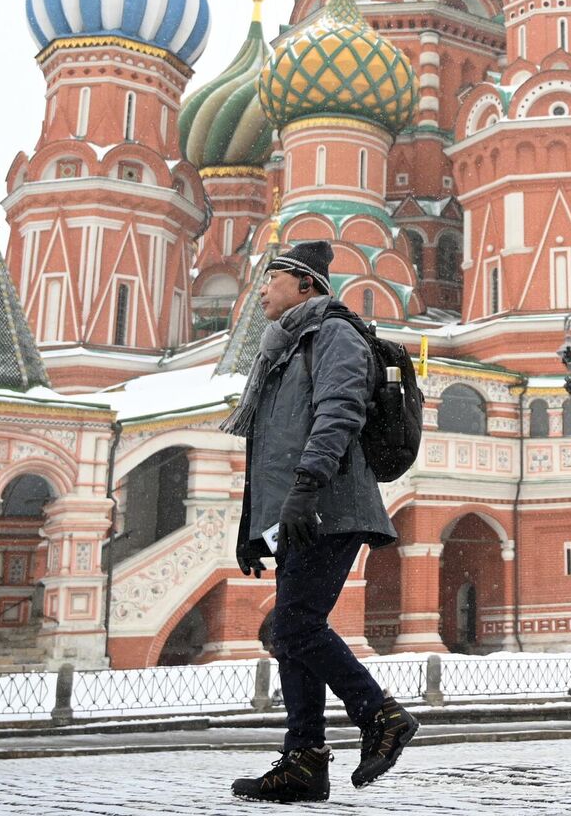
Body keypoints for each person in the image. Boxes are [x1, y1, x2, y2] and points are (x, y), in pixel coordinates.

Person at [222, 241, 415, 803]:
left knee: (296, 627)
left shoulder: (333, 333)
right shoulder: (281, 350)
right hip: (300, 510)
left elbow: (340, 410)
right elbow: (269, 446)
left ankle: (380, 715)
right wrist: (251, 528)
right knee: (291, 634)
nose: (260, 288)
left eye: (271, 277)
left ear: (305, 284)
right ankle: (303, 761)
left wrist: (306, 490)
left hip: (331, 504)